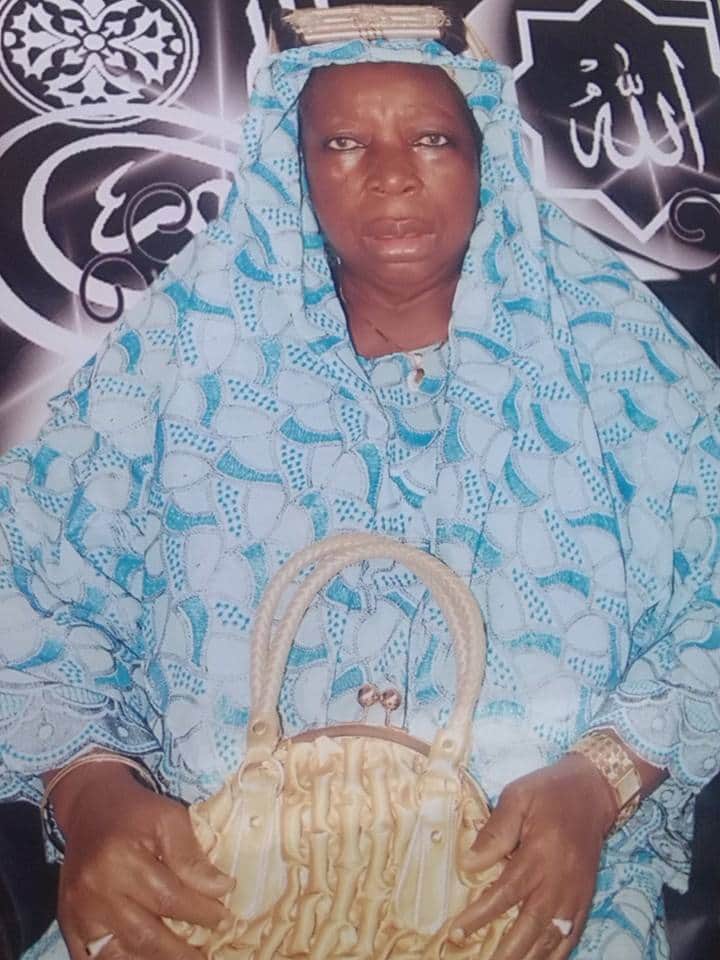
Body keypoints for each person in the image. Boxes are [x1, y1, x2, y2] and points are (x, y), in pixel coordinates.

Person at [1, 9, 719, 959]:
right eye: (343, 142)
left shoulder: (613, 361)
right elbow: (31, 589)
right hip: (213, 873)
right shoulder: (181, 356)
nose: (390, 174)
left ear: (485, 155)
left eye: (431, 140)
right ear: (293, 164)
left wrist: (598, 783)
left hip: (517, 880)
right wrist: (90, 792)